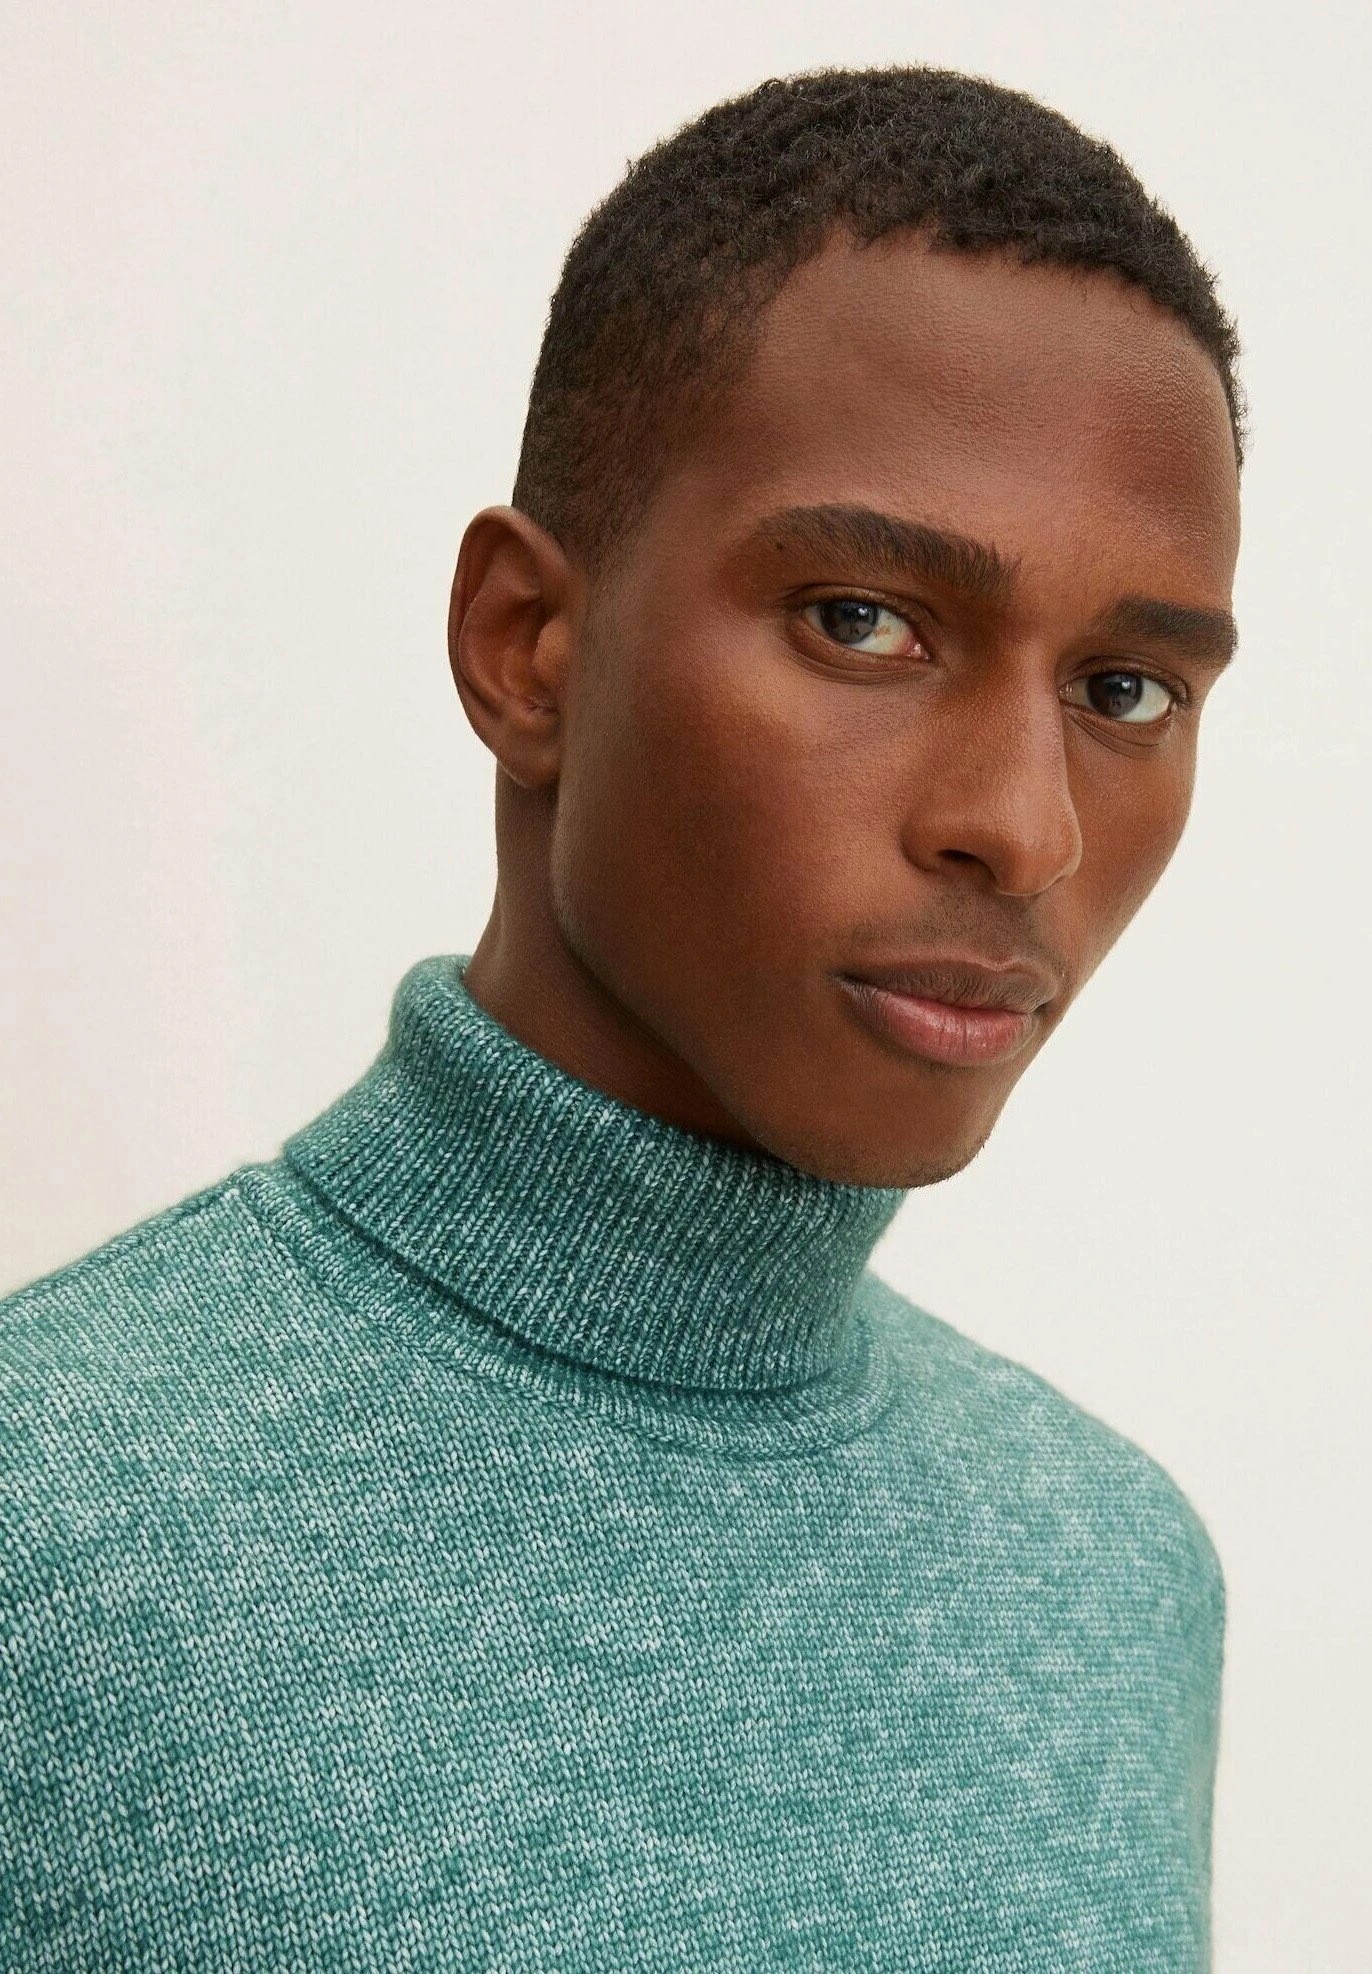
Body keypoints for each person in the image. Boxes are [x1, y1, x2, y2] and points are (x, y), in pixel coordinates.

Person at [0, 65, 1241, 1971]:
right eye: (862, 619)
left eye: (1128, 690)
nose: (1024, 825)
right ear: (528, 650)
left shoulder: (1113, 1573)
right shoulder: (50, 1534)